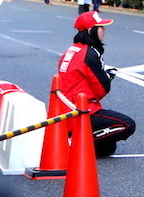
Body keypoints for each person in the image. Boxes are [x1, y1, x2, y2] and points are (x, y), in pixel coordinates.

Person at [58, 11, 135, 157]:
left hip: (65, 111)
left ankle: (75, 139)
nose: (104, 30)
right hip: (81, 111)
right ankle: (74, 141)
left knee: (107, 149)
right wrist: (108, 77)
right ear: (90, 31)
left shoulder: (73, 50)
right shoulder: (90, 54)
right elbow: (101, 89)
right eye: (100, 27)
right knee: (127, 125)